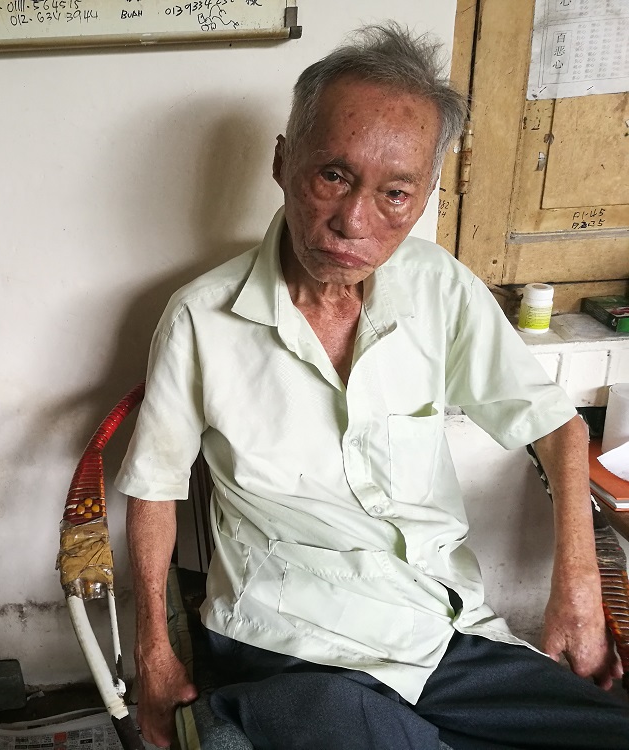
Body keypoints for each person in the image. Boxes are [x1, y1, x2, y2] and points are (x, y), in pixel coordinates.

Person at [115, 23, 629, 750]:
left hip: (441, 633)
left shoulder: (437, 286)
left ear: (423, 196)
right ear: (284, 162)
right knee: (354, 726)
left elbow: (556, 424)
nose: (353, 222)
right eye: (332, 175)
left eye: (394, 193)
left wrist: (574, 586)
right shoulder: (202, 316)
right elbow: (155, 489)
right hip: (291, 638)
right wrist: (154, 654)